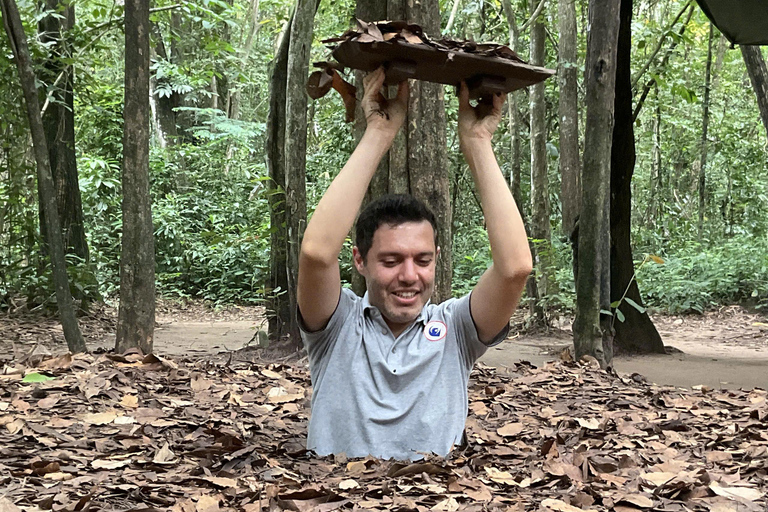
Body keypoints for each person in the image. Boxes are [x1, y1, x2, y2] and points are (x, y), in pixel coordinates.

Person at [297, 67, 532, 460]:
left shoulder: (456, 329)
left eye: (422, 260)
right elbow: (316, 254)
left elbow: (515, 269)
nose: (409, 276)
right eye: (390, 260)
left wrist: (477, 141)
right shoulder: (336, 327)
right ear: (360, 260)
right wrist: (378, 133)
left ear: (437, 259)